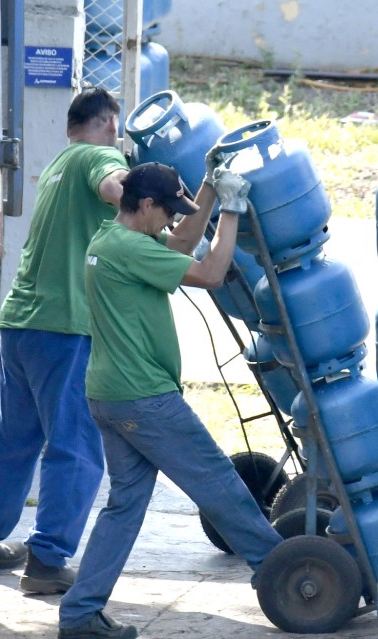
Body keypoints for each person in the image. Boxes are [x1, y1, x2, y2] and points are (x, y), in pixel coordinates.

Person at [57, 162, 283, 639]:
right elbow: (212, 273)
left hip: (110, 395)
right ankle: (282, 572)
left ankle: (79, 615)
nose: (173, 220)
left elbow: (180, 244)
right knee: (217, 481)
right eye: (168, 211)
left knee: (124, 507)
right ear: (145, 205)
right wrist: (232, 209)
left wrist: (207, 188)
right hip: (143, 398)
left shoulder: (112, 238)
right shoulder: (130, 248)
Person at [0, 88, 130, 594]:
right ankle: (47, 562)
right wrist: (142, 192)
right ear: (110, 124)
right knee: (75, 445)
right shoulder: (99, 157)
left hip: (21, 322)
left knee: (9, 443)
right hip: (65, 326)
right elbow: (115, 186)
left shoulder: (57, 165)